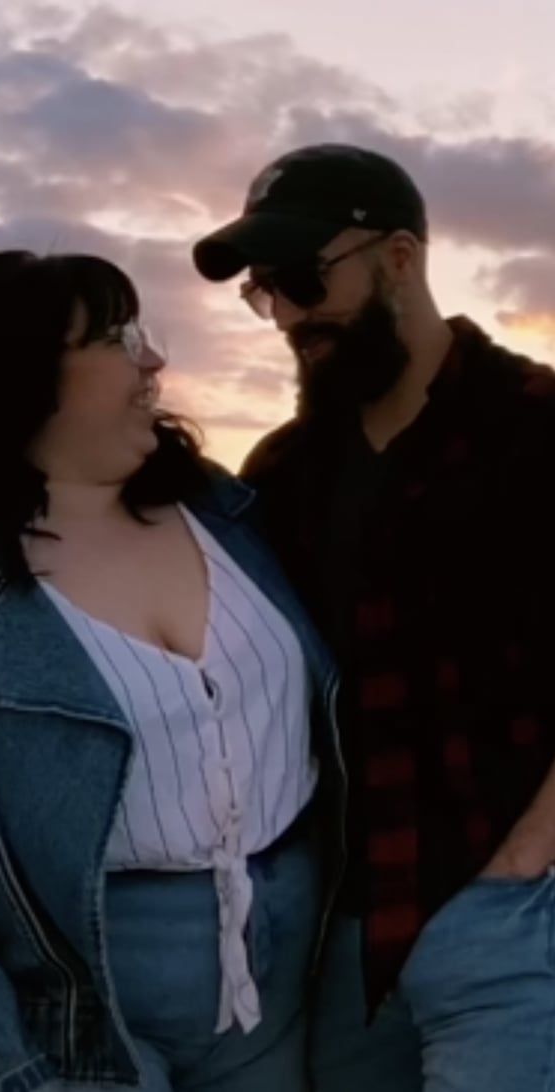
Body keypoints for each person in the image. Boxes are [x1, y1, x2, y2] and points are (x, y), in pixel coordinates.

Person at [0, 250, 340, 1092]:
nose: (153, 359)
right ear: (16, 376)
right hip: (65, 1010)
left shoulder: (230, 510)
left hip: (281, 965)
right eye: (115, 337)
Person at [193, 144, 555, 1091]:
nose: (290, 317)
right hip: (343, 933)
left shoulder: (538, 427)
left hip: (516, 912)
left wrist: (528, 854)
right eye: (265, 293)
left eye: (307, 279)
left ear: (400, 256)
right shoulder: (281, 473)